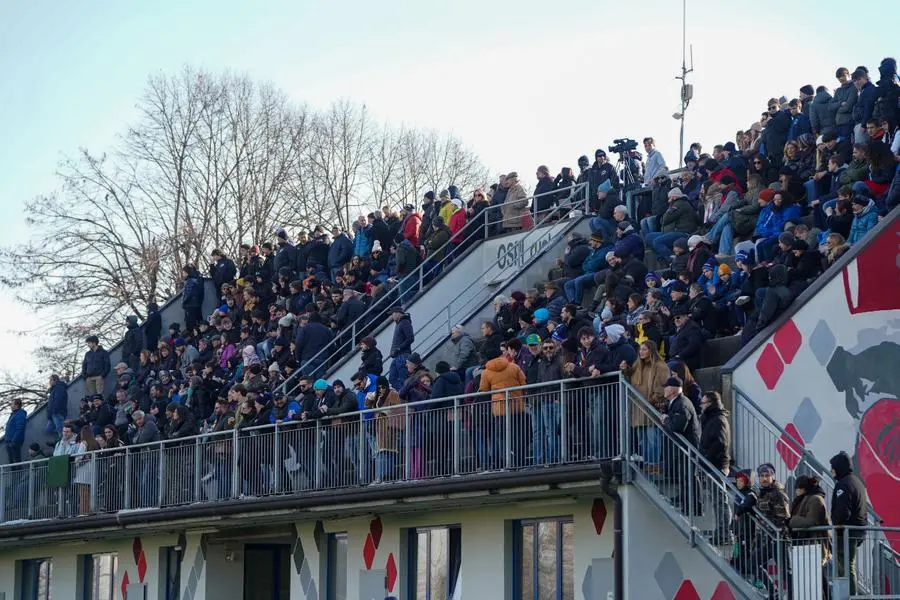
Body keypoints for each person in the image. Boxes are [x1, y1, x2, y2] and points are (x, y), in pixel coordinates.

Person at [830, 451, 870, 595]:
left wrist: (836, 524)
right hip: (858, 530)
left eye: (833, 468)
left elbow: (841, 512)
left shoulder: (843, 484)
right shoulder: (856, 481)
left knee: (845, 567)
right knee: (847, 566)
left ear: (838, 468)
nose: (831, 471)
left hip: (847, 532)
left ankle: (850, 596)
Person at [661, 376, 702, 516]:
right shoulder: (676, 403)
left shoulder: (682, 404)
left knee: (689, 476)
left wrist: (666, 419)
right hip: (683, 447)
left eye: (666, 387)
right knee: (685, 476)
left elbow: (678, 426)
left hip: (688, 446)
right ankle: (687, 502)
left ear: (672, 390)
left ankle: (693, 507)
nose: (664, 390)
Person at [5, 399, 26, 463]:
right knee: (11, 462)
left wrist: (13, 441)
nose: (11, 406)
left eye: (12, 404)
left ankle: (18, 473)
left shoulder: (20, 414)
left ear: (16, 405)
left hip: (14, 442)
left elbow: (20, 428)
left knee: (16, 461)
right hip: (10, 441)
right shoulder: (14, 414)